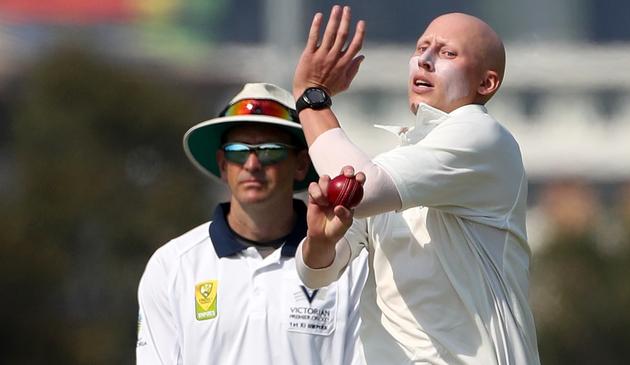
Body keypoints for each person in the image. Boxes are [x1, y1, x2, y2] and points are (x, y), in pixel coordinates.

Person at [292, 6, 541, 365]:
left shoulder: (482, 136)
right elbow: (317, 274)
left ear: (486, 84)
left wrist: (310, 97)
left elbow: (360, 190)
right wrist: (320, 241)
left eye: (447, 53)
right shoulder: (401, 161)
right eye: (421, 47)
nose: (424, 60)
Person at [136, 83, 368, 364]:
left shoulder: (348, 264)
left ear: (301, 164)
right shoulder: (172, 265)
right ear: (223, 163)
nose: (252, 164)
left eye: (270, 150)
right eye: (237, 151)